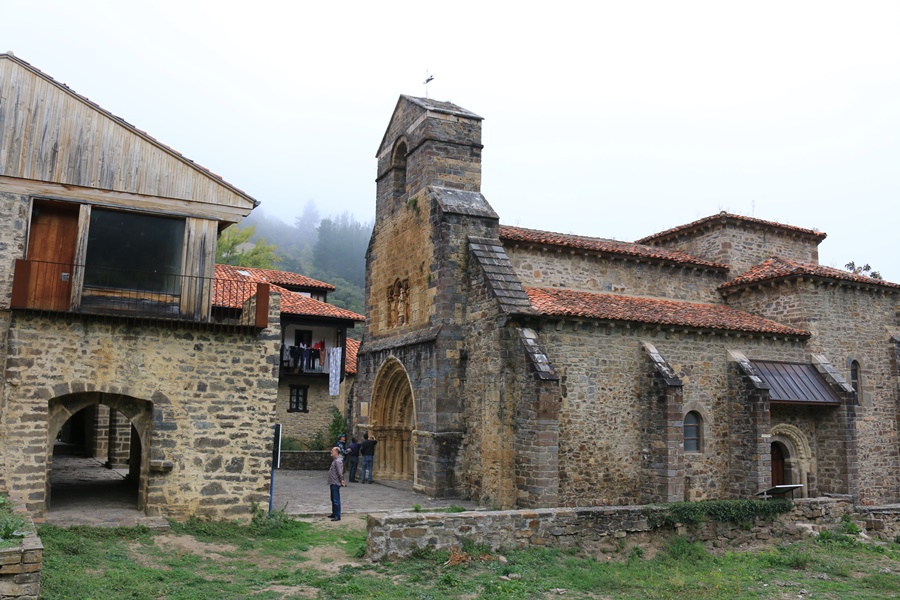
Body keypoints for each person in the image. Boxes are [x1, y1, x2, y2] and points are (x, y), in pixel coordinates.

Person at [327, 446, 346, 521]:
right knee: (333, 498)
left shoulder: (338, 461)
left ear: (336, 452)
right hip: (332, 482)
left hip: (335, 482)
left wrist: (342, 480)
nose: (331, 452)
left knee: (336, 499)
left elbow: (340, 472)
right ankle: (334, 513)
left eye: (332, 451)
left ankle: (337, 515)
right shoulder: (335, 460)